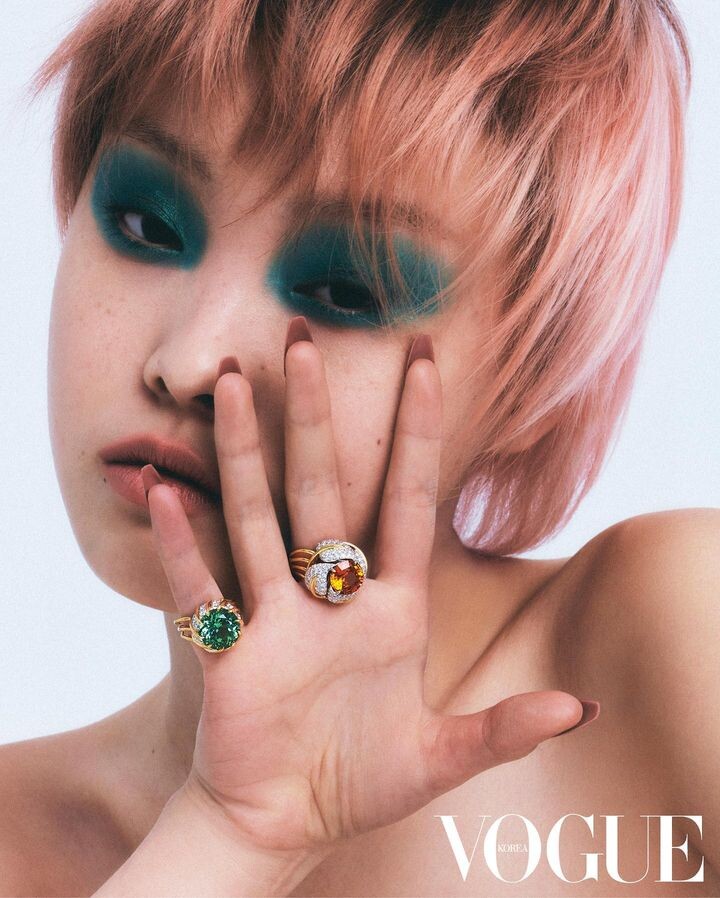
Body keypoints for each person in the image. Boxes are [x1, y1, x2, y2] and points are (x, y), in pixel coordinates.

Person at [2, 0, 717, 894]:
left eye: (344, 290)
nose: (187, 363)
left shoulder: (677, 627)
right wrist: (232, 836)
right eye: (147, 225)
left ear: (536, 384)